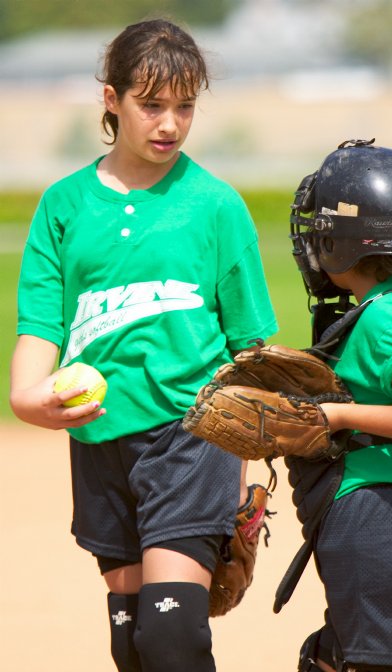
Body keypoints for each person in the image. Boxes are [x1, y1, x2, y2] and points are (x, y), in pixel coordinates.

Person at [9, 19, 277, 672]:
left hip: (192, 438)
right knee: (132, 645)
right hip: (101, 441)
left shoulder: (215, 205)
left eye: (184, 106)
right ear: (111, 99)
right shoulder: (64, 204)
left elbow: (250, 348)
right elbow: (42, 324)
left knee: (170, 639)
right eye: (151, 104)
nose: (170, 124)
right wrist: (25, 399)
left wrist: (241, 467)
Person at [285, 139, 392, 672]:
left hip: (381, 519)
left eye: (320, 227)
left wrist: (337, 415)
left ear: (344, 241)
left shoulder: (385, 317)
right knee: (332, 658)